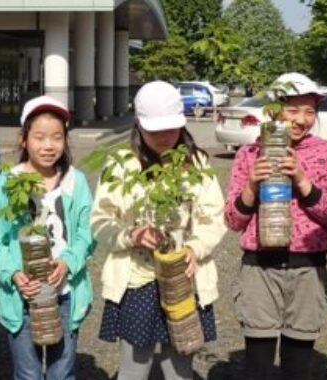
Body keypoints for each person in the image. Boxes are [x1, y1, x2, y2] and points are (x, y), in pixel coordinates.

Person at [92, 81, 227, 380]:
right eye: (155, 130)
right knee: (133, 369)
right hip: (136, 282)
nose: (165, 137)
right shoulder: (121, 165)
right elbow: (100, 221)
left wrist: (195, 248)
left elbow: (213, 218)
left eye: (171, 128)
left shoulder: (197, 163)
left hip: (184, 281)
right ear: (138, 125)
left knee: (179, 366)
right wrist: (131, 235)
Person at [223, 72, 327, 380]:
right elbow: (232, 220)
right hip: (259, 269)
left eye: (309, 111)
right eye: (293, 110)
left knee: (298, 365)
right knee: (259, 364)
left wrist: (304, 182)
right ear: (275, 110)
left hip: (307, 268)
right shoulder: (249, 153)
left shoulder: (323, 152)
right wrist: (251, 186)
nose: (302, 119)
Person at [0, 95, 95, 380]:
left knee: (62, 372)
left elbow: (86, 232)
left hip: (65, 294)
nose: (48, 145)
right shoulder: (9, 182)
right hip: (24, 295)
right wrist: (13, 274)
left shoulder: (75, 181)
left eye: (57, 137)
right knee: (28, 372)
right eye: (40, 137)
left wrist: (69, 262)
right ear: (24, 139)